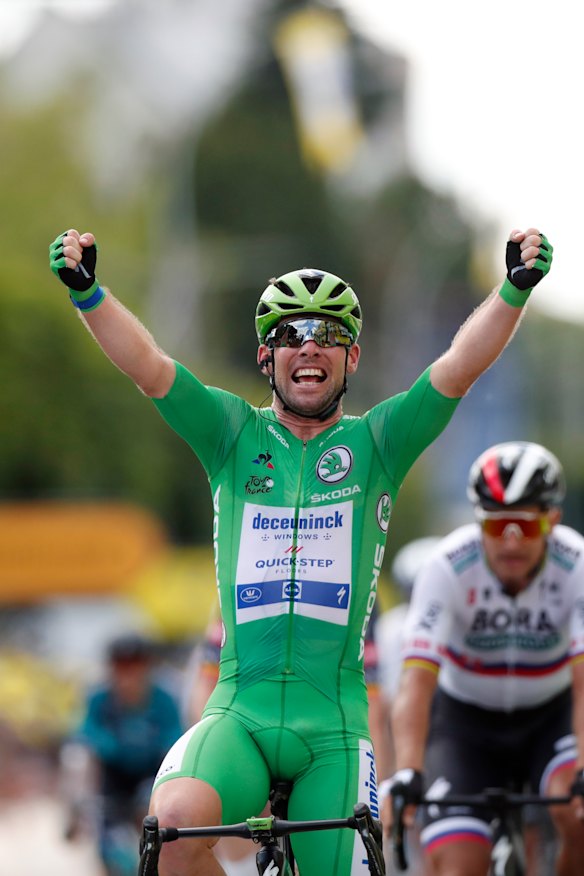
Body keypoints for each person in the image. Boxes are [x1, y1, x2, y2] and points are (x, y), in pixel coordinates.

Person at [49, 225, 552, 876]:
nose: (309, 345)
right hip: (240, 713)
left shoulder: (380, 443)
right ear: (267, 356)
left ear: (352, 357)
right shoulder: (231, 434)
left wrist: (513, 289)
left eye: (328, 334)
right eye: (290, 333)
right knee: (170, 829)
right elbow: (150, 367)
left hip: (332, 729)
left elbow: (457, 368)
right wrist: (88, 293)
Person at [386, 442, 584, 876]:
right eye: (497, 527)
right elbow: (416, 682)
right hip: (464, 726)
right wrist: (408, 770)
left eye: (525, 527)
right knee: (459, 866)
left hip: (551, 719)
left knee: (577, 815)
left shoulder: (577, 563)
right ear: (477, 522)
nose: (510, 543)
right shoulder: (447, 566)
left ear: (552, 521)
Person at [61, 633, 183, 876]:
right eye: (121, 666)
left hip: (152, 773)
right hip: (112, 776)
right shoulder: (98, 698)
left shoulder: (165, 698)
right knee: (76, 756)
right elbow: (83, 732)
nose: (128, 675)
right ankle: (76, 812)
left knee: (155, 820)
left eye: (135, 666)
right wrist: (110, 745)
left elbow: (176, 737)